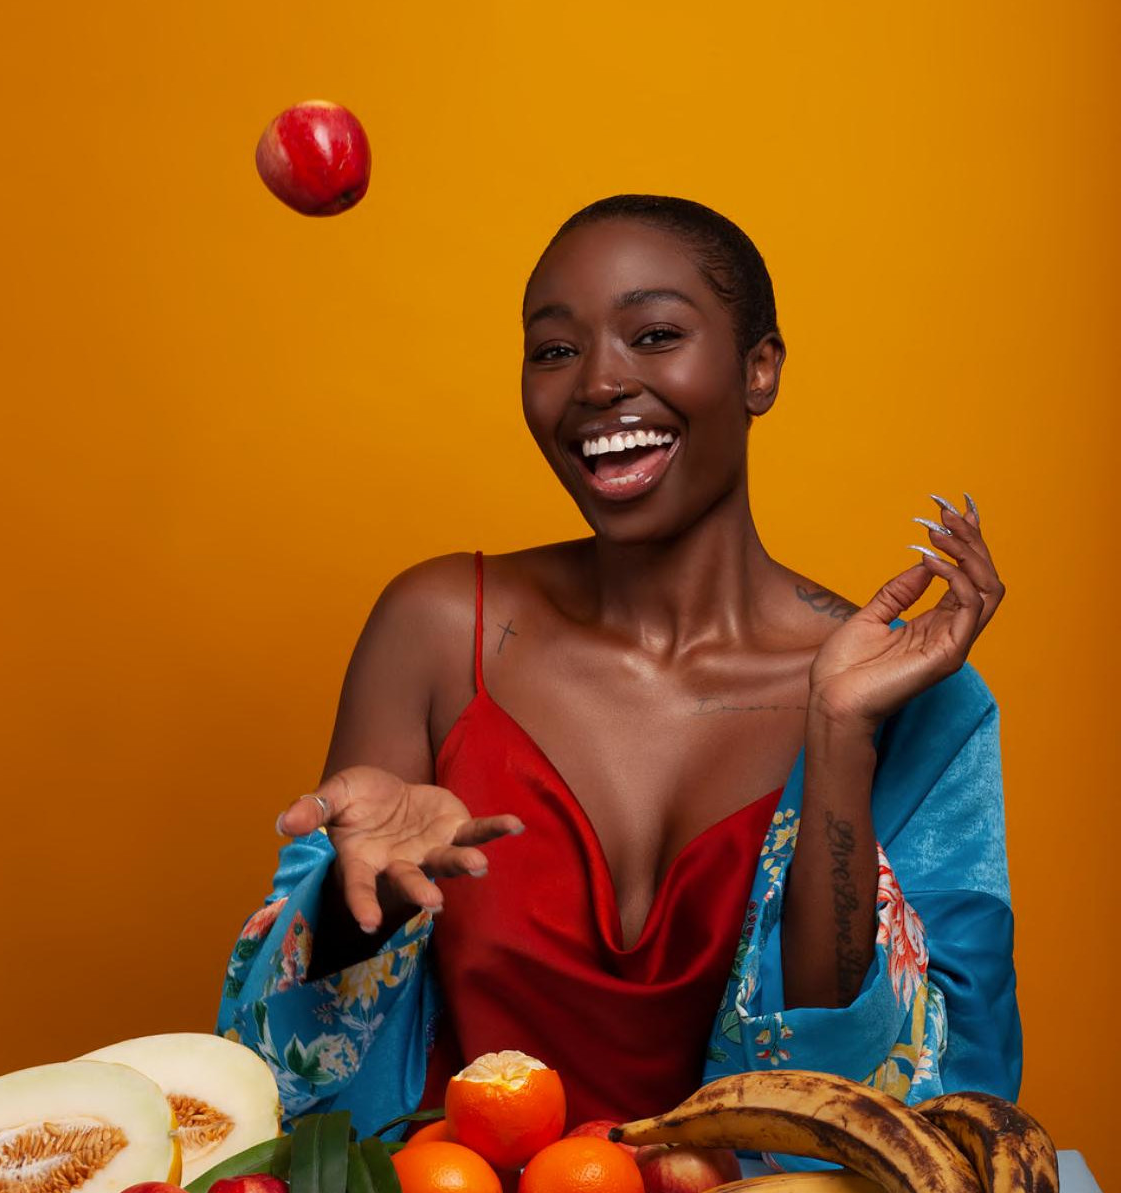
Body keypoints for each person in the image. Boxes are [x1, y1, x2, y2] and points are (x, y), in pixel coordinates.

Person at [218, 196, 1020, 1142]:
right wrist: (367, 910)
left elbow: (903, 1103)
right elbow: (288, 1062)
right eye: (555, 351)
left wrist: (839, 737)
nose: (600, 381)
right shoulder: (436, 633)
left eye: (653, 334)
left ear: (759, 369)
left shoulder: (908, 693)